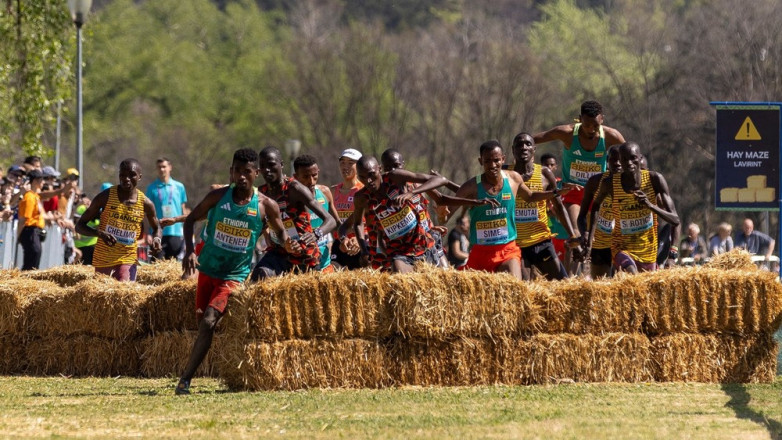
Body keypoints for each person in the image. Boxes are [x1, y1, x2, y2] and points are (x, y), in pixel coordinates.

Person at [176, 148, 294, 395]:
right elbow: (190, 220)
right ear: (231, 172)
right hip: (208, 269)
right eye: (237, 171)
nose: (242, 176)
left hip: (234, 276)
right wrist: (189, 251)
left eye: (247, 172)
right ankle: (215, 368)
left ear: (256, 174)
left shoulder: (265, 205)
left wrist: (286, 243)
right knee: (203, 326)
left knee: (209, 321)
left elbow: (281, 232)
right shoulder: (218, 197)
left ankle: (185, 380)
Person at [338, 156, 489, 273]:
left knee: (443, 281)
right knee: (403, 281)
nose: (369, 181)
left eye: (371, 175)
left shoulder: (404, 181)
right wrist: (364, 250)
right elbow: (356, 223)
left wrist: (412, 193)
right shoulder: (363, 198)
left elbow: (441, 189)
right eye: (363, 177)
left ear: (380, 169)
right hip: (398, 252)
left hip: (424, 243)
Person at [454, 140, 576, 279]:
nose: (493, 165)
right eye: (487, 161)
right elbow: (456, 201)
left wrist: (556, 192)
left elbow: (532, 197)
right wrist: (443, 213)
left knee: (555, 282)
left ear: (503, 159)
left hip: (528, 244)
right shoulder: (479, 183)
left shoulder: (520, 177)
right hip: (500, 248)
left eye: (496, 160)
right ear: (480, 161)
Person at [533, 100, 626, 274]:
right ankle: (570, 279)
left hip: (599, 194)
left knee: (603, 238)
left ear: (602, 120)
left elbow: (631, 155)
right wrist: (522, 158)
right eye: (587, 125)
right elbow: (533, 139)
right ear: (579, 119)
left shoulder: (611, 136)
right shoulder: (567, 133)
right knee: (575, 234)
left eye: (595, 125)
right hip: (574, 193)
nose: (591, 129)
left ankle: (608, 272)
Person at [590, 142, 679, 274]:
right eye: (624, 159)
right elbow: (595, 205)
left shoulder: (655, 179)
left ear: (640, 157)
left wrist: (650, 205)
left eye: (633, 158)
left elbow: (675, 220)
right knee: (632, 274)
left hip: (647, 251)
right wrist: (589, 236)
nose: (629, 163)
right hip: (621, 248)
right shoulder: (610, 183)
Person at [250, 147, 337, 281]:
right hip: (278, 252)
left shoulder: (294, 188)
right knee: (260, 275)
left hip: (303, 255)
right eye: (263, 166)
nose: (267, 170)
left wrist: (315, 234)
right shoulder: (261, 194)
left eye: (272, 165)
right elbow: (258, 226)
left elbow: (330, 220)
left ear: (282, 165)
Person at [76, 159, 162, 281]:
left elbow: (156, 227)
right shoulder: (105, 197)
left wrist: (157, 239)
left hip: (128, 259)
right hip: (103, 259)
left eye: (131, 175)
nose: (126, 178)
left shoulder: (146, 203)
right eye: (123, 175)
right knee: (103, 297)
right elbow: (79, 225)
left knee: (124, 294)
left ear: (139, 177)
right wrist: (99, 233)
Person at [512, 132, 580, 280]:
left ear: (534, 149)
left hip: (541, 242)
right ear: (513, 150)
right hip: (516, 245)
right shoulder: (506, 173)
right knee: (523, 289)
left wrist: (573, 236)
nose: (524, 147)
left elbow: (559, 206)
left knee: (561, 284)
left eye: (528, 144)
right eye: (519, 145)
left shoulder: (544, 173)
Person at [380, 148, 457, 268]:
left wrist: (438, 219)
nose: (393, 172)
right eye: (388, 168)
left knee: (446, 277)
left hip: (428, 242)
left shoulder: (417, 184)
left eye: (396, 166)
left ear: (403, 164)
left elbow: (439, 204)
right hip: (404, 252)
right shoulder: (381, 195)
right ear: (382, 169)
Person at [578, 145, 621, 278]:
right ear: (607, 161)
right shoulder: (595, 182)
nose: (618, 163)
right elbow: (581, 216)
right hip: (599, 243)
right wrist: (584, 233)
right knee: (601, 286)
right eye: (614, 160)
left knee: (623, 286)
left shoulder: (634, 184)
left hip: (624, 243)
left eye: (621, 159)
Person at [292, 154, 341, 272]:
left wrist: (346, 238)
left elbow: (337, 224)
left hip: (324, 263)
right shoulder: (290, 200)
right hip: (300, 265)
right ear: (295, 177)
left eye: (314, 175)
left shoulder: (325, 192)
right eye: (305, 177)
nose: (311, 181)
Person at [146, 157, 188, 261]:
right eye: (159, 167)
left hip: (176, 232)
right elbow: (146, 213)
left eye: (164, 167)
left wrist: (187, 233)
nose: (161, 169)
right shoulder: (151, 188)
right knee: (157, 265)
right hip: (158, 232)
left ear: (170, 167)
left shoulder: (179, 187)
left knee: (173, 267)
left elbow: (184, 210)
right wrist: (148, 233)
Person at [330, 148, 364, 269]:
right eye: (343, 162)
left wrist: (359, 239)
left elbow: (372, 221)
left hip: (359, 244)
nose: (346, 166)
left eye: (350, 163)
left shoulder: (364, 191)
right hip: (340, 245)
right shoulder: (333, 191)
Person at [16, 169, 46, 270]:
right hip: (29, 231)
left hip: (34, 232)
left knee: (35, 256)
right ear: (35, 181)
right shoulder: (29, 197)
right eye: (41, 180)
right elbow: (24, 219)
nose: (43, 182)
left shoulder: (35, 196)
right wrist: (18, 235)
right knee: (32, 259)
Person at [73, 194, 98, 265]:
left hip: (93, 245)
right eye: (86, 202)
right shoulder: (81, 208)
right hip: (81, 246)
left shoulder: (96, 211)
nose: (88, 203)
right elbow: (76, 220)